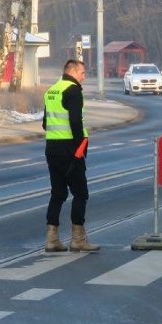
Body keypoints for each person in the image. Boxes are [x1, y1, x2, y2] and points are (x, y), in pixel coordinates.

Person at [42, 59, 99, 252]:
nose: (84, 77)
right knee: (81, 193)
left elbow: (45, 123)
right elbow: (75, 122)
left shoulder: (52, 90)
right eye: (83, 73)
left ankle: (51, 238)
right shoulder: (73, 91)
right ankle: (78, 238)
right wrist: (79, 147)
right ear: (73, 71)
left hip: (52, 149)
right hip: (71, 150)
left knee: (57, 194)